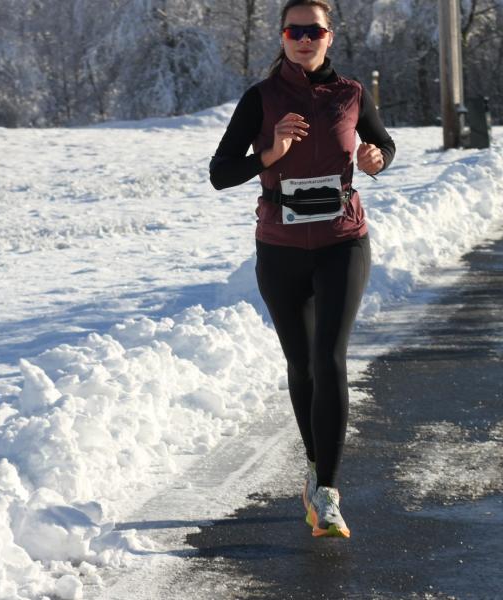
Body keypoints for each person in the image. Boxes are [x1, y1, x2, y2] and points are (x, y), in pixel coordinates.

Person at [208, 0, 395, 538]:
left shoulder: (352, 94)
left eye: (314, 30)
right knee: (303, 366)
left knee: (331, 358)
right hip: (280, 247)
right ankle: (314, 469)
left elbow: (382, 143)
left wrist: (377, 159)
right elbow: (220, 174)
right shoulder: (261, 98)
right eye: (295, 30)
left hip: (342, 241)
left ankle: (329, 494)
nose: (304, 39)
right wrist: (270, 151)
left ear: (329, 37)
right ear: (283, 37)